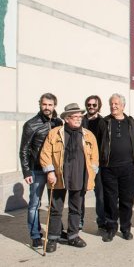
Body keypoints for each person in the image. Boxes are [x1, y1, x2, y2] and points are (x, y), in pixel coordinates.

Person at [40, 103, 99, 253]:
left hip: (80, 176)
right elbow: (45, 154)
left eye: (80, 116)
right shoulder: (55, 134)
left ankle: (73, 236)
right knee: (55, 209)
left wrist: (92, 174)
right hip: (59, 177)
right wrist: (50, 172)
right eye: (75, 116)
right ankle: (53, 238)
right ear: (66, 118)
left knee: (76, 209)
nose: (79, 119)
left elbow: (94, 158)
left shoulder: (88, 135)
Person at [19, 93, 63, 248]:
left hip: (55, 170)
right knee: (34, 204)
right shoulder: (31, 124)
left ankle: (57, 230)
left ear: (54, 106)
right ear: (40, 104)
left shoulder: (59, 122)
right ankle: (35, 235)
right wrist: (26, 172)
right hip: (37, 171)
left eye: (50, 105)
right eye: (44, 104)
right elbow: (23, 150)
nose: (47, 107)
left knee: (55, 203)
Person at [97, 93, 134, 242]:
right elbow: (98, 143)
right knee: (110, 200)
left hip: (128, 168)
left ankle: (126, 228)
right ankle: (111, 228)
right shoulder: (104, 122)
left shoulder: (131, 123)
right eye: (111, 104)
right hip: (108, 168)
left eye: (116, 104)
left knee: (127, 200)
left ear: (123, 106)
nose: (113, 106)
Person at [80, 95, 105, 231]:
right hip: (81, 163)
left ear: (98, 106)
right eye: (89, 105)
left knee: (100, 194)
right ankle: (79, 221)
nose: (91, 107)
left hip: (98, 164)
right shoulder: (80, 120)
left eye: (94, 105)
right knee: (80, 194)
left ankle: (101, 220)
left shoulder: (103, 121)